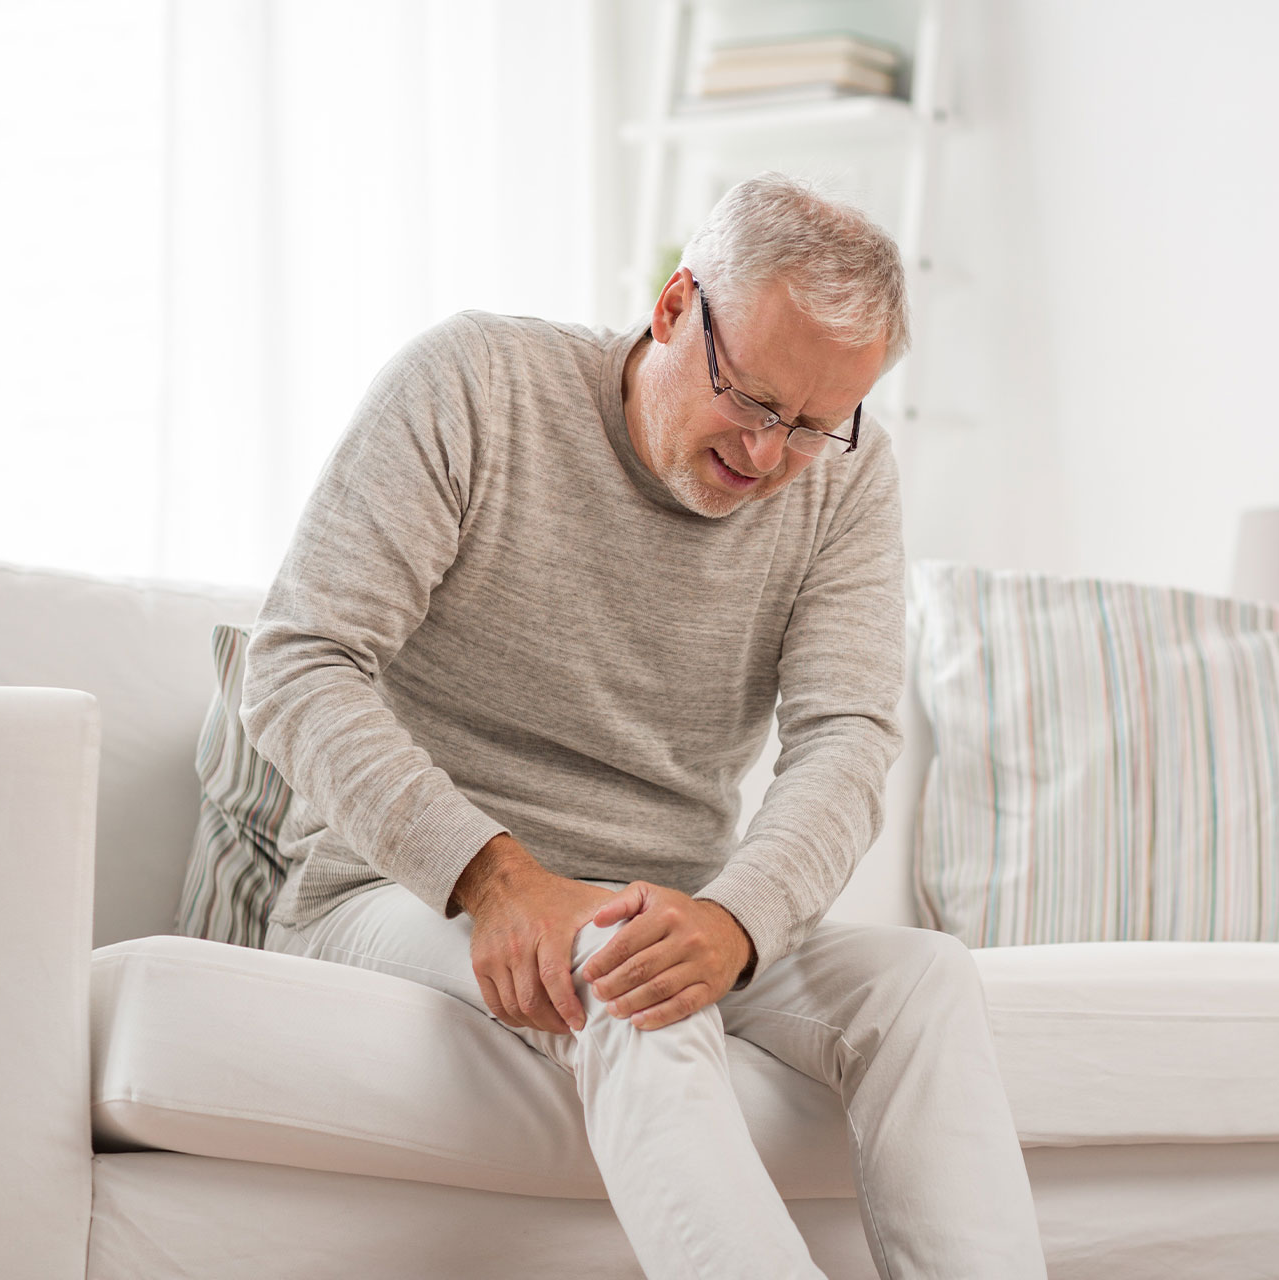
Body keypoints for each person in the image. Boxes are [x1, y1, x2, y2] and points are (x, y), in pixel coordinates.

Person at [241, 172, 1049, 1279]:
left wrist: (734, 918)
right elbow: (297, 663)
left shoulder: (847, 478)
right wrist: (499, 878)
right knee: (627, 973)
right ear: (675, 308)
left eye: (813, 425)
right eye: (755, 401)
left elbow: (847, 736)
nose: (771, 456)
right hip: (397, 894)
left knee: (924, 980)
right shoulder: (477, 383)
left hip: (664, 904)